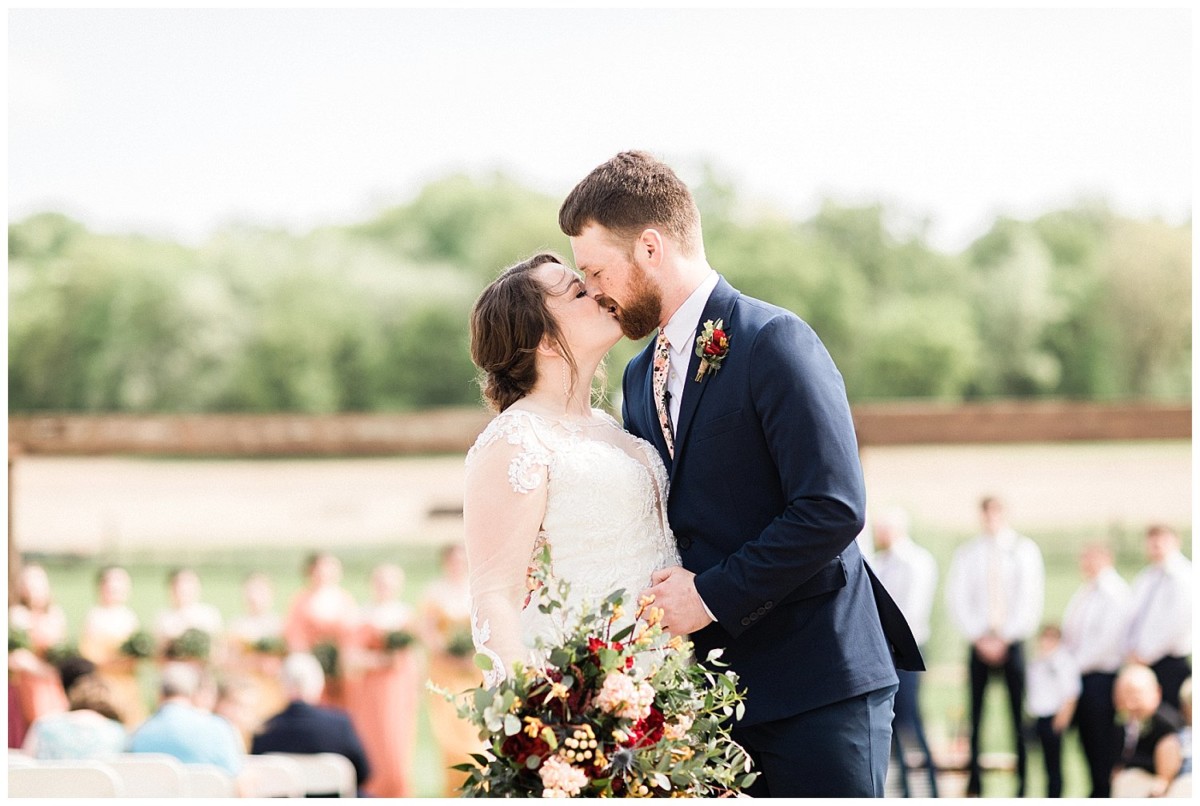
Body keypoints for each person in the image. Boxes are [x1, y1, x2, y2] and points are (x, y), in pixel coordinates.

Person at [559, 150, 921, 797]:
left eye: (595, 271)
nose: (593, 292)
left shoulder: (773, 341)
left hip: (820, 689)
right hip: (713, 707)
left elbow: (832, 507)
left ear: (649, 248)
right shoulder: (640, 379)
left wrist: (710, 596)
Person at [464, 251, 680, 684]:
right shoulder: (517, 438)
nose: (599, 292)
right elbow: (495, 594)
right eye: (579, 291)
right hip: (583, 694)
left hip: (667, 681)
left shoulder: (611, 426)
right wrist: (535, 719)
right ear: (544, 340)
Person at [945, 496, 1044, 797]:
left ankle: (1023, 783)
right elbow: (958, 597)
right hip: (979, 642)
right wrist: (980, 637)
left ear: (1005, 515)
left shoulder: (1023, 550)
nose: (991, 519)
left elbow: (1031, 597)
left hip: (1012, 641)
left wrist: (1006, 636)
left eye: (996, 513)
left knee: (1018, 716)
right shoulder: (968, 553)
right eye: (986, 514)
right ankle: (975, 782)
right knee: (976, 716)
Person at [870, 507, 939, 797]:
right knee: (893, 722)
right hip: (884, 650)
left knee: (911, 720)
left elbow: (913, 610)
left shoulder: (917, 562)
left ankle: (930, 789)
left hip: (906, 649)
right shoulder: (879, 562)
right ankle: (905, 791)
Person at [342, 563, 420, 798]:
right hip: (371, 690)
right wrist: (382, 660)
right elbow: (351, 658)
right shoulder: (360, 614)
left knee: (399, 747)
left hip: (399, 689)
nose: (385, 587)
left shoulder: (405, 614)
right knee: (374, 744)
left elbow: (414, 657)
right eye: (381, 582)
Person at [1062, 542, 1130, 797]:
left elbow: (1106, 641)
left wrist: (1072, 666)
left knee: (1101, 744)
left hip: (1100, 677)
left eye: (1090, 557)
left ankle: (1103, 792)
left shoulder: (1113, 592)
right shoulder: (1087, 591)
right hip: (1083, 676)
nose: (1085, 563)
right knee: (1087, 741)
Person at [251, 652, 372, 795]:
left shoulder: (264, 728)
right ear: (318, 684)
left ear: (283, 686)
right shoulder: (340, 724)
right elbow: (363, 773)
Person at [420, 544, 481, 796]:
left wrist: (473, 656)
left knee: (477, 733)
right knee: (449, 731)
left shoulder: (476, 590)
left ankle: (481, 787)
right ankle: (453, 791)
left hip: (475, 671)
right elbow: (427, 633)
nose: (457, 564)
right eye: (452, 560)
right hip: (445, 671)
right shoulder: (435, 592)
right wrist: (449, 654)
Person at [129, 661, 244, 776]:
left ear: (159, 694)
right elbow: (237, 779)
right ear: (194, 692)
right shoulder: (218, 727)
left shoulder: (139, 733)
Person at [1123, 524, 1192, 710]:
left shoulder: (1184, 576)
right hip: (1142, 662)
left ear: (1176, 541)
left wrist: (1147, 654)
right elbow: (1133, 618)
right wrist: (1131, 650)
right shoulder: (1147, 577)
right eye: (1152, 540)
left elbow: (1178, 622)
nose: (1156, 544)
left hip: (1169, 662)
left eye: (1162, 538)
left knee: (1169, 719)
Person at [283, 553, 358, 708]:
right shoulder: (301, 600)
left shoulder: (345, 600)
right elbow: (294, 636)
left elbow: (353, 634)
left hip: (340, 672)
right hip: (311, 669)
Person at [79, 565, 147, 726]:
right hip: (104, 685)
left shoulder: (129, 616)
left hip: (128, 685)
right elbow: (88, 656)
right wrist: (113, 662)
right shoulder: (95, 616)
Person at [8, 564, 70, 732]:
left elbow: (60, 655)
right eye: (27, 584)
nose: (32, 589)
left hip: (48, 684)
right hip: (20, 685)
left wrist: (38, 668)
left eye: (36, 583)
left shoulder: (56, 616)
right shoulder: (16, 615)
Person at [1110, 664, 1183, 797]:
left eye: (1135, 693)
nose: (1131, 701)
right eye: (1124, 693)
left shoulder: (1166, 725)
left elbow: (1166, 774)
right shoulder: (1121, 724)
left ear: (1156, 692)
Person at [1025, 624, 1081, 798]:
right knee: (1042, 762)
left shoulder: (1063, 661)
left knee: (1054, 763)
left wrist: (1063, 718)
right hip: (1038, 716)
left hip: (1054, 716)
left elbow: (1071, 693)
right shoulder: (1037, 661)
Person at [22, 668, 127, 760]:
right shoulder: (117, 732)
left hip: (48, 781)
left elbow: (26, 763)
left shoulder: (45, 723)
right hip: (97, 782)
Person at [225, 572, 287, 728]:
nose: (254, 597)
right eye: (250, 591)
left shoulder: (279, 625)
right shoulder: (237, 625)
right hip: (245, 690)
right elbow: (228, 662)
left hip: (272, 690)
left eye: (260, 592)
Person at [153, 567, 224, 651]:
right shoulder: (163, 617)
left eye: (189, 584)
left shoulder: (209, 614)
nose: (183, 589)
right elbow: (157, 652)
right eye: (178, 585)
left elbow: (218, 648)